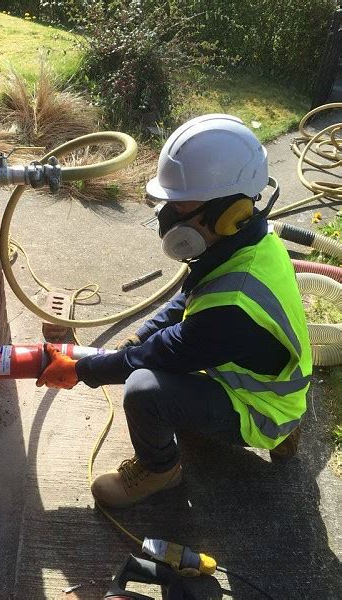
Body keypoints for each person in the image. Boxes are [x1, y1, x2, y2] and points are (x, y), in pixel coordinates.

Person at [36, 114, 312, 509]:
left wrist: (81, 371)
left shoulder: (232, 310)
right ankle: (282, 427)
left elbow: (161, 354)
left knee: (144, 390)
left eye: (181, 204)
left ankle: (160, 470)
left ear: (229, 212)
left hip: (259, 407)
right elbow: (188, 301)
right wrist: (138, 335)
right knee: (150, 366)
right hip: (272, 386)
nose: (168, 217)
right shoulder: (251, 242)